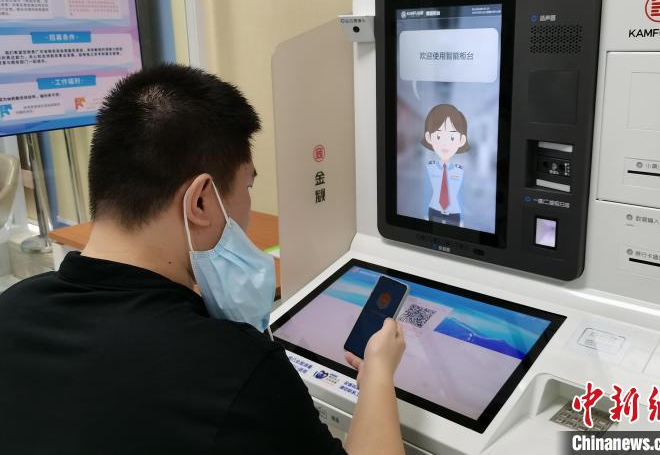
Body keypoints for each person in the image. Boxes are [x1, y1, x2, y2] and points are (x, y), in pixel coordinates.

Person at [0, 64, 406, 455]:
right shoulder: (237, 369)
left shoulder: (13, 307)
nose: (248, 210)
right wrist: (377, 374)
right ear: (200, 201)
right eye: (248, 187)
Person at [420, 104, 470, 227]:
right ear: (429, 137)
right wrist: (425, 215)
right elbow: (427, 193)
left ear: (461, 140)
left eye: (452, 137)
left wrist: (462, 218)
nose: (445, 143)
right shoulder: (430, 168)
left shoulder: (460, 171)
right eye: (438, 136)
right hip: (434, 210)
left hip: (454, 212)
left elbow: (461, 196)